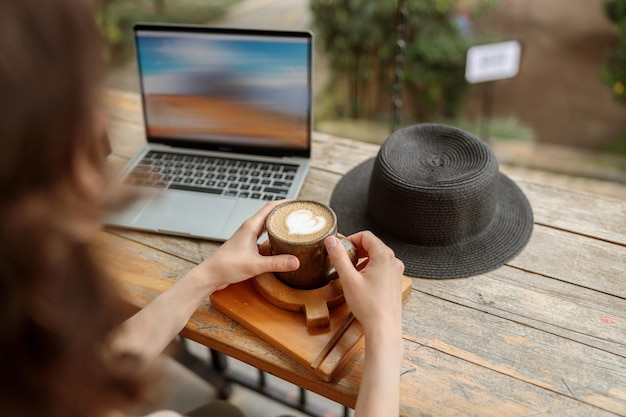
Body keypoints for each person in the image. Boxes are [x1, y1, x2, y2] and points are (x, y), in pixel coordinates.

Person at [0, 1, 405, 417]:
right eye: (74, 104)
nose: (101, 122)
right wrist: (385, 330)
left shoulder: (25, 357)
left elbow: (93, 370)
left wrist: (207, 275)